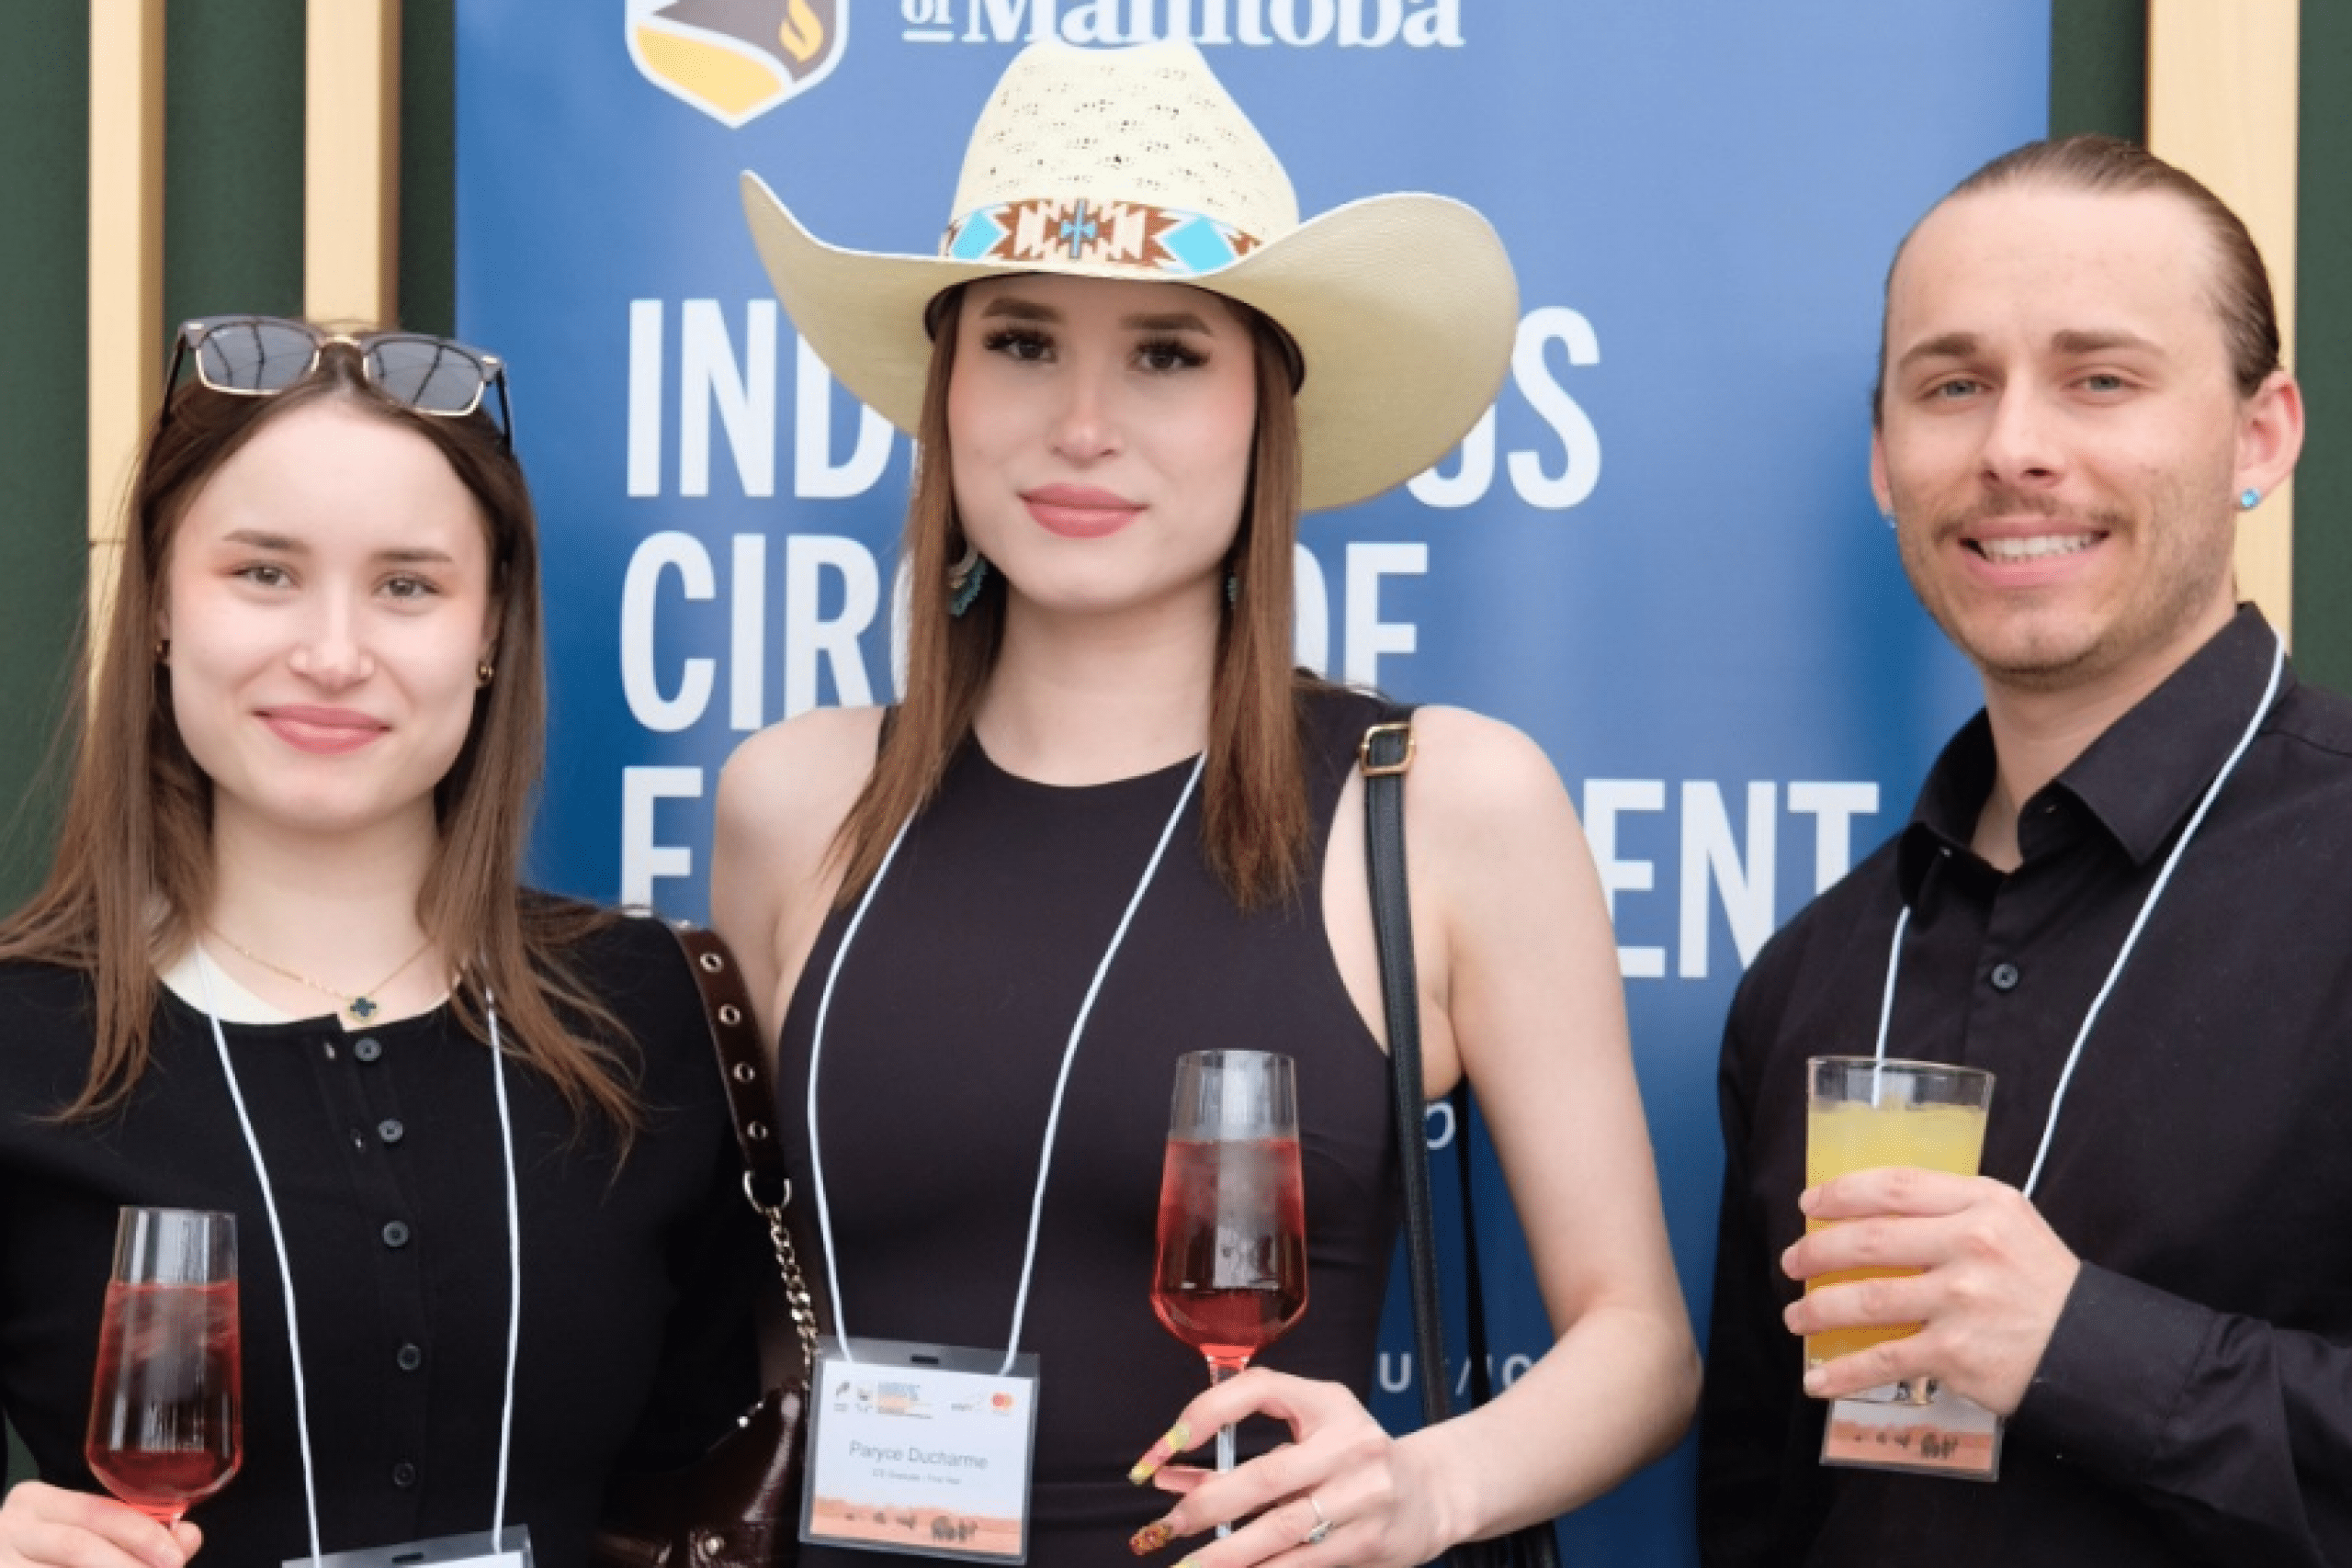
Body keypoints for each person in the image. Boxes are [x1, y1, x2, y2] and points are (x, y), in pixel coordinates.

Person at [713, 37, 1697, 1568]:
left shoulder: (1442, 803)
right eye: (1024, 342)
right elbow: (778, 1327)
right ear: (947, 390)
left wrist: (1426, 1490)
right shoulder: (793, 800)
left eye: (1167, 352)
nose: (1083, 422)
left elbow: (1639, 1341)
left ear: (1264, 415)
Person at [0, 317, 764, 1567]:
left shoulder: (646, 1015)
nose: (334, 653)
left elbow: (701, 1476)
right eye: (264, 574)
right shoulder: (24, 1033)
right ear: (156, 606)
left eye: (408, 584)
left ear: (492, 632)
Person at [1698, 134, 2351, 1566]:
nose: (2013, 449)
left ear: (2262, 436)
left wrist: (2083, 1345)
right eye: (1953, 387)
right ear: (1885, 459)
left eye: (2100, 379)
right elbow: (1760, 1505)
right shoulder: (1815, 969)